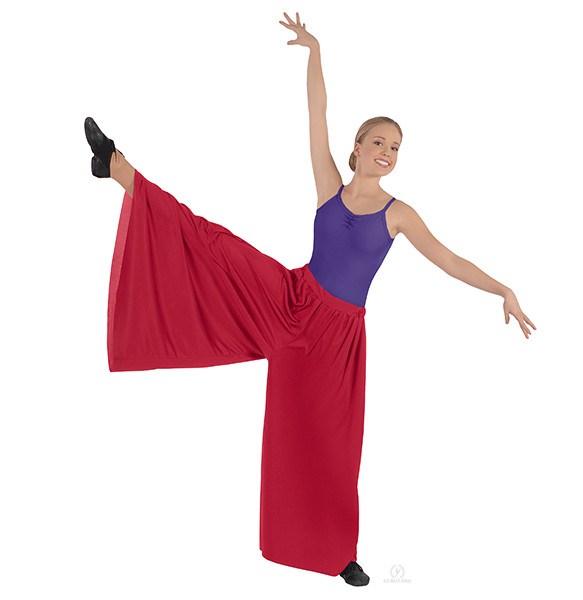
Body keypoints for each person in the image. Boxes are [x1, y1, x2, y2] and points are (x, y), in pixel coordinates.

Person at [84, 11, 536, 587]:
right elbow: (316, 113)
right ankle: (116, 166)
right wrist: (315, 50)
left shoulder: (399, 214)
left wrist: (502, 288)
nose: (388, 151)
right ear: (358, 148)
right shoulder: (330, 187)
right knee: (213, 243)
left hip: (336, 338)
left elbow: (448, 259)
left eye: (396, 147)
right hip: (291, 299)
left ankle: (338, 554)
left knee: (328, 443)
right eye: (379, 141)